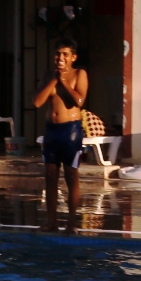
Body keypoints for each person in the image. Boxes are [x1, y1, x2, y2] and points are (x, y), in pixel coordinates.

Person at [31, 40, 87, 216]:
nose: (60, 58)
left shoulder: (79, 73)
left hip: (70, 130)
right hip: (51, 130)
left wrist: (63, 81)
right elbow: (37, 102)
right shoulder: (49, 75)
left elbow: (78, 101)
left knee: (71, 175)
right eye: (58, 54)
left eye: (65, 54)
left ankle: (71, 223)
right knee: (50, 176)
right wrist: (54, 80)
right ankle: (51, 221)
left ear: (73, 57)